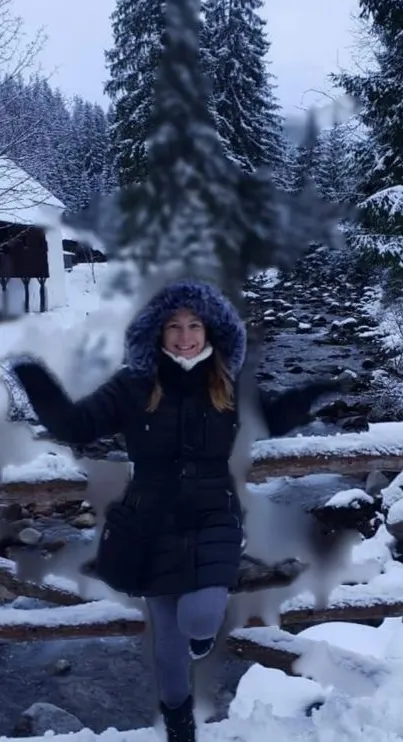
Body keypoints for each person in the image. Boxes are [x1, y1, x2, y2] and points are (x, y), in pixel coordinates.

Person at [10, 280, 339, 742]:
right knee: (167, 648)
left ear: (211, 331)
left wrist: (307, 397)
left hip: (213, 516)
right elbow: (76, 425)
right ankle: (180, 725)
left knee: (200, 617)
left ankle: (203, 637)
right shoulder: (133, 384)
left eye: (195, 325)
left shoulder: (225, 381)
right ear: (158, 333)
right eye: (174, 326)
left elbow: (271, 416)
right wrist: (35, 378)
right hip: (150, 523)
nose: (185, 336)